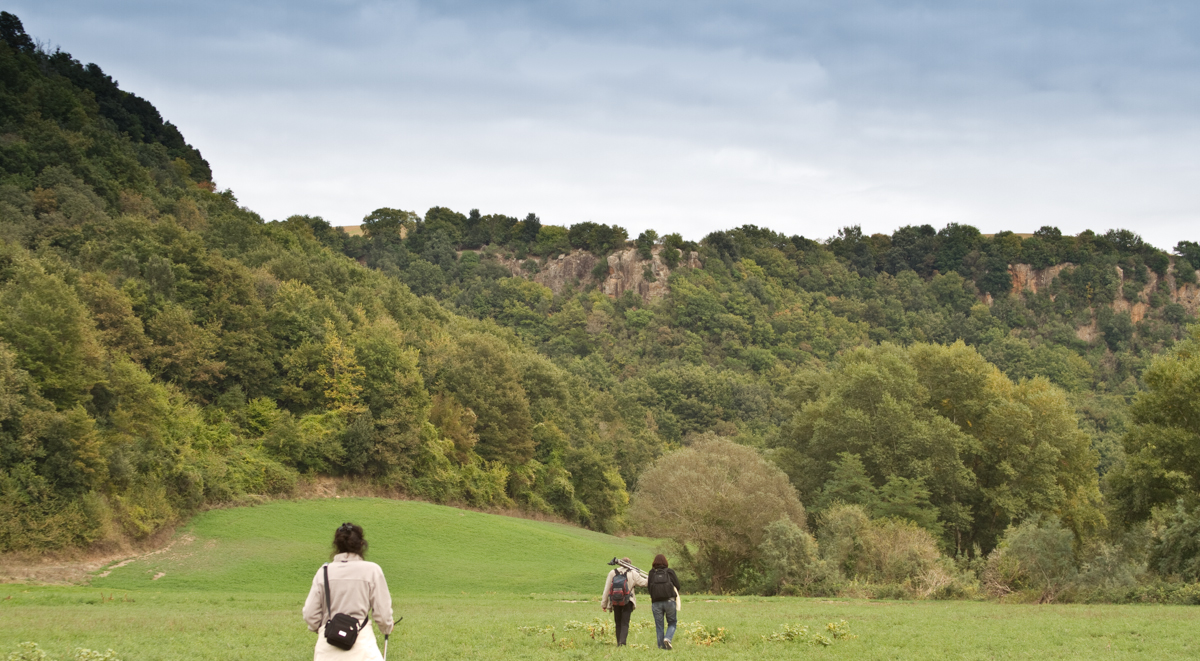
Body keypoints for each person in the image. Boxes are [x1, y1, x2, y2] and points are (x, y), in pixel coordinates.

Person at [303, 522, 394, 661]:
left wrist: (324, 629)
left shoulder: (324, 572)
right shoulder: (372, 570)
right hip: (362, 648)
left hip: (327, 648)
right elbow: (383, 613)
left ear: (337, 545)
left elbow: (310, 614)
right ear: (362, 544)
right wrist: (387, 628)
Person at [600, 556, 647, 646]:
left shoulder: (612, 573)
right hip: (628, 600)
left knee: (618, 623)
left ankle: (618, 643)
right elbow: (644, 583)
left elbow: (606, 589)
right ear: (630, 564)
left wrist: (604, 604)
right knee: (625, 623)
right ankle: (622, 642)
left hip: (615, 601)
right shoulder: (633, 573)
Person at [647, 554, 682, 650]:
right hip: (670, 601)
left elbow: (649, 588)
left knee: (659, 625)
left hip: (656, 603)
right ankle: (668, 638)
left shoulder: (651, 573)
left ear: (654, 562)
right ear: (666, 562)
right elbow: (678, 586)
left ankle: (661, 647)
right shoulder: (670, 571)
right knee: (672, 622)